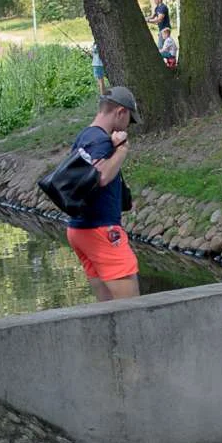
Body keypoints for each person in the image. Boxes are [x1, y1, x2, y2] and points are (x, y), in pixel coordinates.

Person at [66, 86, 144, 302]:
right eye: (129, 119)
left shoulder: (84, 136)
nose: (129, 125)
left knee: (106, 307)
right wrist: (122, 150)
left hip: (79, 229)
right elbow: (99, 177)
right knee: (131, 307)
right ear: (120, 112)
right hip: (101, 230)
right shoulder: (100, 140)